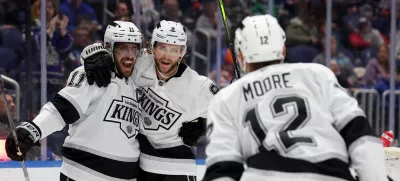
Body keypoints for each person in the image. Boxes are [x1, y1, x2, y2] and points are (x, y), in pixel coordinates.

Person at [202, 14, 392, 181]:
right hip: (330, 173)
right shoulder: (317, 74)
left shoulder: (226, 97)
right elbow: (360, 136)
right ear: (283, 51)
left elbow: (222, 168)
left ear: (241, 56)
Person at [5, 21, 143, 181]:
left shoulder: (140, 81)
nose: (130, 55)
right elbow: (62, 109)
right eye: (123, 48)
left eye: (134, 49)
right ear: (109, 47)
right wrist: (32, 131)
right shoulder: (94, 74)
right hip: (83, 175)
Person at [83, 20, 217, 181]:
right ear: (152, 47)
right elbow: (108, 51)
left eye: (174, 50)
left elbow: (225, 114)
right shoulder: (140, 63)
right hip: (142, 167)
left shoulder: (199, 86)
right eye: (162, 48)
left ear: (183, 51)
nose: (167, 56)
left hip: (178, 170)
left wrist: (202, 124)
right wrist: (91, 57)